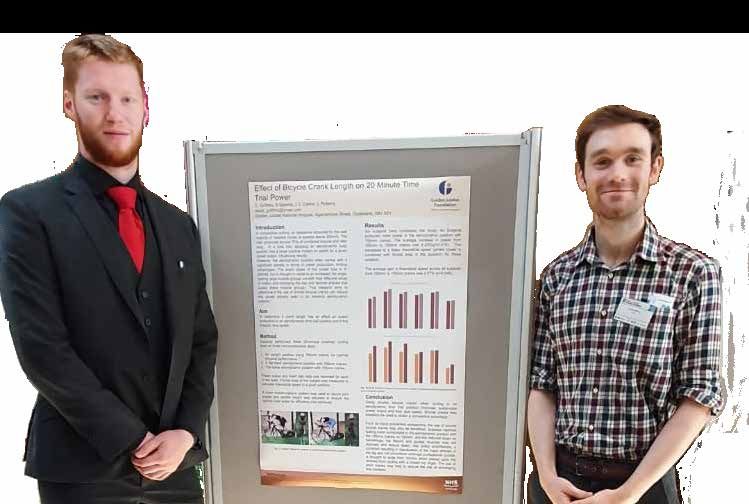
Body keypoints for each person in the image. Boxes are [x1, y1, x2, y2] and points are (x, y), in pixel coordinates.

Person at [0, 33, 218, 503]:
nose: (114, 114)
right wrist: (132, 439)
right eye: (96, 97)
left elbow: (201, 340)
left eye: (126, 98)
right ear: (69, 105)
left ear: (146, 107)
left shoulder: (177, 225)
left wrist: (185, 432)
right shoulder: (28, 213)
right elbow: (42, 348)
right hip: (81, 470)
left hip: (175, 471)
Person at [526, 105, 724, 504]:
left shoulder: (693, 274)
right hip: (558, 484)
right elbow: (542, 384)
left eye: (632, 158)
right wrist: (546, 475)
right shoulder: (557, 277)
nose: (617, 174)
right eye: (602, 161)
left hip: (643, 486)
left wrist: (628, 494)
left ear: (655, 168)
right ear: (581, 175)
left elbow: (699, 396)